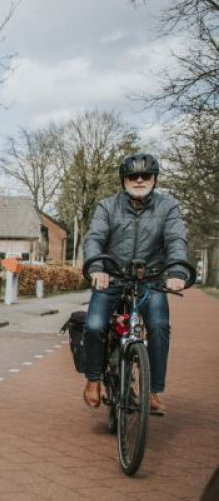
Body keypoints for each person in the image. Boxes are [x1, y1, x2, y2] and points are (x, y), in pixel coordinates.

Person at [81, 153, 190, 414]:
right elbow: (94, 238)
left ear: (154, 179)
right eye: (133, 176)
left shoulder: (168, 207)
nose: (139, 180)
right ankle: (93, 380)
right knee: (94, 325)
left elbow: (176, 241)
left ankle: (153, 392)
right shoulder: (107, 206)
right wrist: (97, 269)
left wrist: (176, 272)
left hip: (150, 279)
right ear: (124, 180)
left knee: (160, 326)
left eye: (146, 176)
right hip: (112, 277)